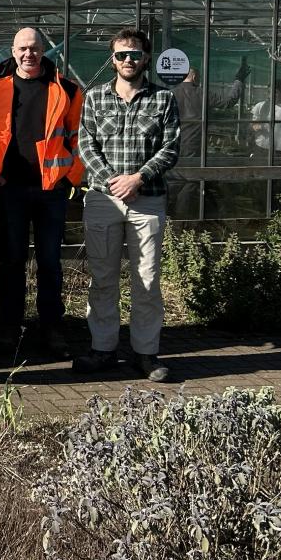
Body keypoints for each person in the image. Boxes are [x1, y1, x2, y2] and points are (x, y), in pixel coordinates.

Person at [74, 28, 181, 383]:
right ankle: (103, 348)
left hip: (147, 199)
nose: (128, 60)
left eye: (134, 54)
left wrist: (138, 178)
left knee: (147, 279)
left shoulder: (163, 99)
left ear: (145, 58)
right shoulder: (95, 98)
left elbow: (171, 148)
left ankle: (146, 353)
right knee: (102, 278)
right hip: (104, 199)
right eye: (121, 55)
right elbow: (86, 146)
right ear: (112, 59)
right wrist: (112, 181)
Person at [0, 27, 84, 360]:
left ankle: (51, 328)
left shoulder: (66, 89)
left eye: (36, 48)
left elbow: (80, 137)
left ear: (44, 51)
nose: (29, 54)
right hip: (11, 188)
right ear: (13, 51)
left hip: (50, 190)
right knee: (11, 261)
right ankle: (10, 326)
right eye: (23, 48)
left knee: (50, 263)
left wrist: (70, 178)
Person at [168, 58, 250, 218]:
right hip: (195, 146)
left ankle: (170, 221)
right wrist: (239, 80)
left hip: (173, 146)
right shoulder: (201, 93)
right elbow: (228, 102)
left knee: (174, 181)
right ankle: (182, 220)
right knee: (191, 182)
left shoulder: (171, 94)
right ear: (194, 77)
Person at [251, 79, 281, 162]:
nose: (271, 94)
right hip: (261, 147)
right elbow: (253, 126)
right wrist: (261, 126)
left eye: (275, 92)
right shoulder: (260, 106)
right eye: (269, 92)